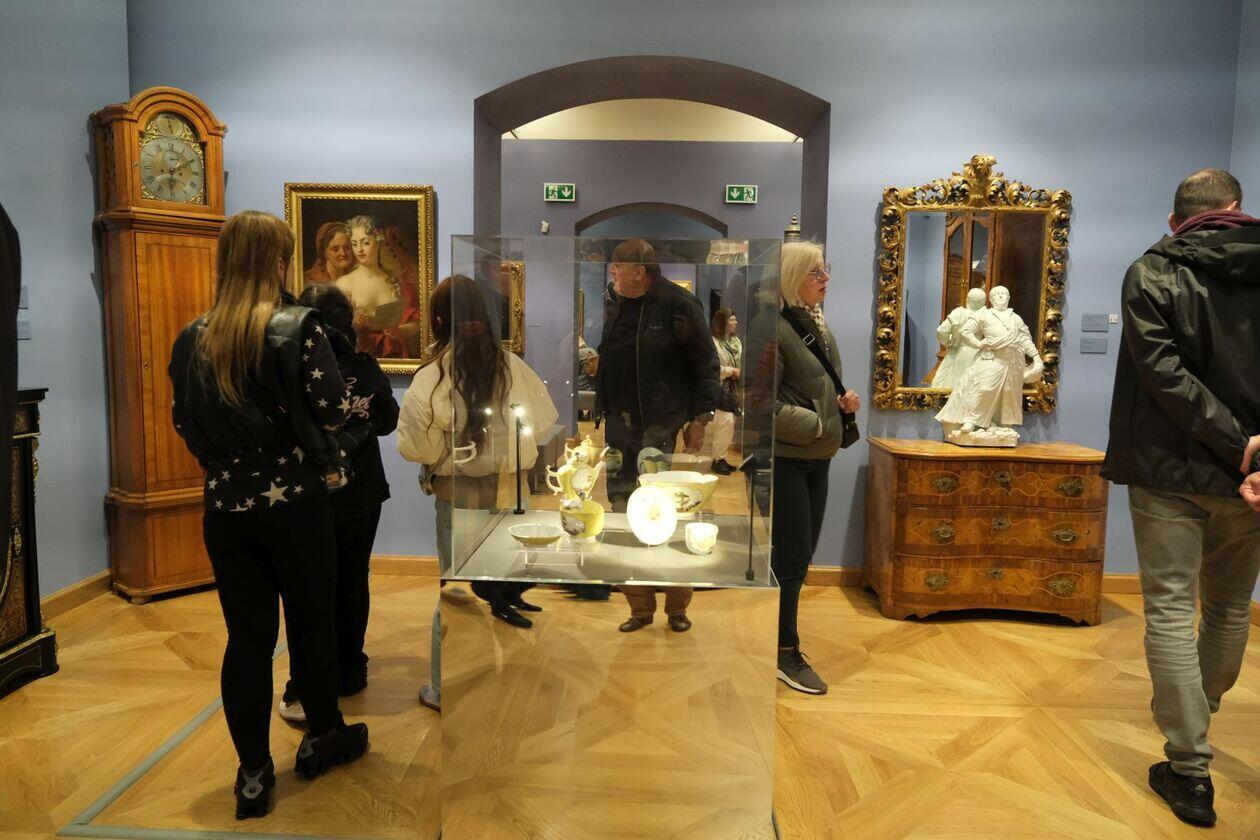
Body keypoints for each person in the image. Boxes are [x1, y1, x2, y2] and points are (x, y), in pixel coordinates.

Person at [168, 210, 369, 820]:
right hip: (299, 506)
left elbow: (184, 423)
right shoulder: (297, 327)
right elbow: (333, 410)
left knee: (247, 641)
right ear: (278, 262)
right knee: (311, 624)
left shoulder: (192, 337)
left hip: (226, 509)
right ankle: (322, 737)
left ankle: (253, 773)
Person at [1102, 168, 1260, 828]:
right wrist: (1252, 451)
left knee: (1169, 609)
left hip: (1167, 469)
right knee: (1228, 607)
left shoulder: (1152, 271)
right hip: (1252, 475)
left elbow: (1164, 376)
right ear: (1237, 208)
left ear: (1175, 220)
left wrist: (1238, 445)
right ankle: (1198, 722)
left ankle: (1190, 766)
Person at [397, 274, 558, 710]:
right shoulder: (512, 367)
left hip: (458, 495)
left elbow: (414, 446)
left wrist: (450, 453)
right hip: (510, 491)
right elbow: (542, 421)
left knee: (456, 588)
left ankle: (443, 687)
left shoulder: (433, 375)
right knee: (497, 575)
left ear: (439, 319)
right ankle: (497, 678)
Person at [276, 285, 399, 724]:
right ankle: (349, 669)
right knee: (352, 578)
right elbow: (388, 422)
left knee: (308, 586)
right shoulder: (364, 367)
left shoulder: (290, 367)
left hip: (308, 490)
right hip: (362, 489)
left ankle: (306, 680)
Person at [595, 238, 721, 633]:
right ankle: (639, 607)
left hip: (662, 426)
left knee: (668, 511)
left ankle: (677, 607)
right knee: (623, 509)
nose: (612, 271)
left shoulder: (679, 304)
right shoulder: (616, 302)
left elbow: (706, 363)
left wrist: (700, 418)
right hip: (620, 426)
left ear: (640, 272)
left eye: (618, 265)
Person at [771, 241, 860, 695]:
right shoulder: (773, 327)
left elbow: (813, 387)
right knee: (790, 560)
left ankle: (779, 643)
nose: (825, 279)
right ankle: (783, 651)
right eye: (815, 272)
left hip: (815, 458)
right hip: (789, 459)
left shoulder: (816, 323)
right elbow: (759, 405)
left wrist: (842, 406)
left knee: (800, 558)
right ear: (792, 277)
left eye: (825, 270)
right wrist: (819, 423)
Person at [934, 285, 1042, 438]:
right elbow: (966, 331)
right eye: (997, 294)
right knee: (985, 387)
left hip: (1013, 360)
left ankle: (1003, 426)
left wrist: (1036, 357)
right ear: (990, 299)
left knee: (1009, 393)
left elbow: (1025, 339)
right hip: (992, 358)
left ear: (1009, 297)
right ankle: (971, 420)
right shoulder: (984, 314)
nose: (1001, 296)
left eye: (1004, 294)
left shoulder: (1015, 318)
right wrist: (978, 343)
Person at [335, 215, 420, 358]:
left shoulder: (398, 282)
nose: (359, 250)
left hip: (396, 357)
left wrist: (398, 331)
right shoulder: (343, 284)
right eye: (354, 244)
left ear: (379, 241)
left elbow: (416, 324)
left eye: (365, 243)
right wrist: (352, 323)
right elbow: (332, 328)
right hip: (359, 358)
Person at [929, 287, 987, 389]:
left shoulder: (959, 313)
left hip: (957, 352)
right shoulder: (986, 315)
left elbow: (942, 331)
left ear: (968, 299)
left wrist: (949, 342)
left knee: (951, 383)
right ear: (983, 302)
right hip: (979, 355)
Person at [709, 307, 742, 475]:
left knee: (730, 423)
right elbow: (712, 368)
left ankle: (721, 458)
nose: (735, 322)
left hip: (734, 388)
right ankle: (717, 460)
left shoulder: (736, 341)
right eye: (731, 320)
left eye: (735, 319)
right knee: (725, 422)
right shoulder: (713, 342)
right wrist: (731, 371)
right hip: (719, 387)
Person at [303, 221, 355, 286]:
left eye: (347, 248)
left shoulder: (357, 277)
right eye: (336, 250)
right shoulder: (309, 280)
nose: (343, 253)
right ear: (324, 253)